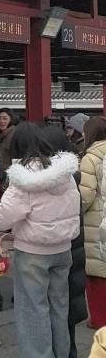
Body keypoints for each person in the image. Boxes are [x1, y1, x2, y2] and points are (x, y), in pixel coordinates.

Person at [0, 122, 80, 358]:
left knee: (33, 310)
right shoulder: (66, 174)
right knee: (59, 307)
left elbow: (5, 215)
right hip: (63, 250)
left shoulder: (22, 177)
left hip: (33, 252)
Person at [42, 125, 87, 358]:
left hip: (59, 251)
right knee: (66, 310)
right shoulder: (72, 175)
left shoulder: (49, 179)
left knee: (58, 310)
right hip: (74, 248)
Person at [80, 116, 106, 329]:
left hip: (96, 221)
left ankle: (99, 319)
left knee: (97, 272)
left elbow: (85, 196)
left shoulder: (90, 157)